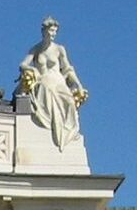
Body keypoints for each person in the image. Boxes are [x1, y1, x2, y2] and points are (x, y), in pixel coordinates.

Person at [18, 17, 88, 151]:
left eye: (55, 31)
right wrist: (31, 69)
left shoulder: (59, 49)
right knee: (46, 93)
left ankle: (67, 133)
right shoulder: (36, 49)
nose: (53, 34)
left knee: (69, 102)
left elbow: (68, 68)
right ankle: (52, 131)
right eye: (51, 31)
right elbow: (23, 64)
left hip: (58, 80)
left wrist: (78, 85)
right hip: (44, 80)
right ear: (44, 32)